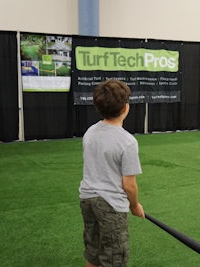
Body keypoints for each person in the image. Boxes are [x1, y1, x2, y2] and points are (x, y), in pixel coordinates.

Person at [79, 80, 145, 267]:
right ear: (126, 108)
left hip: (87, 200)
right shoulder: (127, 142)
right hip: (111, 205)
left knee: (93, 252)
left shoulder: (90, 132)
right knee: (115, 257)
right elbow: (129, 185)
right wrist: (134, 206)